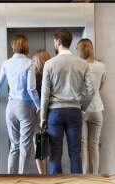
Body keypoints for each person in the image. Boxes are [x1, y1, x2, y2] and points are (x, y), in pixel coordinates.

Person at [40, 29, 95, 174]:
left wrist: (43, 117)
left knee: (55, 154)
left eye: (54, 41)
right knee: (75, 153)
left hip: (55, 112)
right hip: (74, 111)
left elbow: (45, 93)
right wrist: (82, 107)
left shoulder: (49, 64)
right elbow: (91, 90)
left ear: (58, 42)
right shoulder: (82, 64)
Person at [0, 35, 40, 174]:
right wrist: (38, 105)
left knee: (14, 146)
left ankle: (10, 175)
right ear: (26, 46)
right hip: (25, 106)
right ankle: (22, 177)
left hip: (10, 107)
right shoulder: (29, 63)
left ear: (13, 46)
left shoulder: (6, 63)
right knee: (24, 145)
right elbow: (31, 88)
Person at [77, 38, 106, 175]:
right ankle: (95, 175)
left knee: (83, 145)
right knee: (94, 145)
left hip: (82, 109)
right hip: (97, 109)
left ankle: (84, 174)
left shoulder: (78, 66)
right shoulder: (101, 66)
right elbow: (101, 87)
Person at [29, 49, 51, 174]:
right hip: (47, 111)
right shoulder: (48, 74)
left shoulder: (37, 76)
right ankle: (43, 173)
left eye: (35, 60)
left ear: (40, 61)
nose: (33, 62)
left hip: (38, 113)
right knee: (41, 142)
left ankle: (42, 173)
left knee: (38, 142)